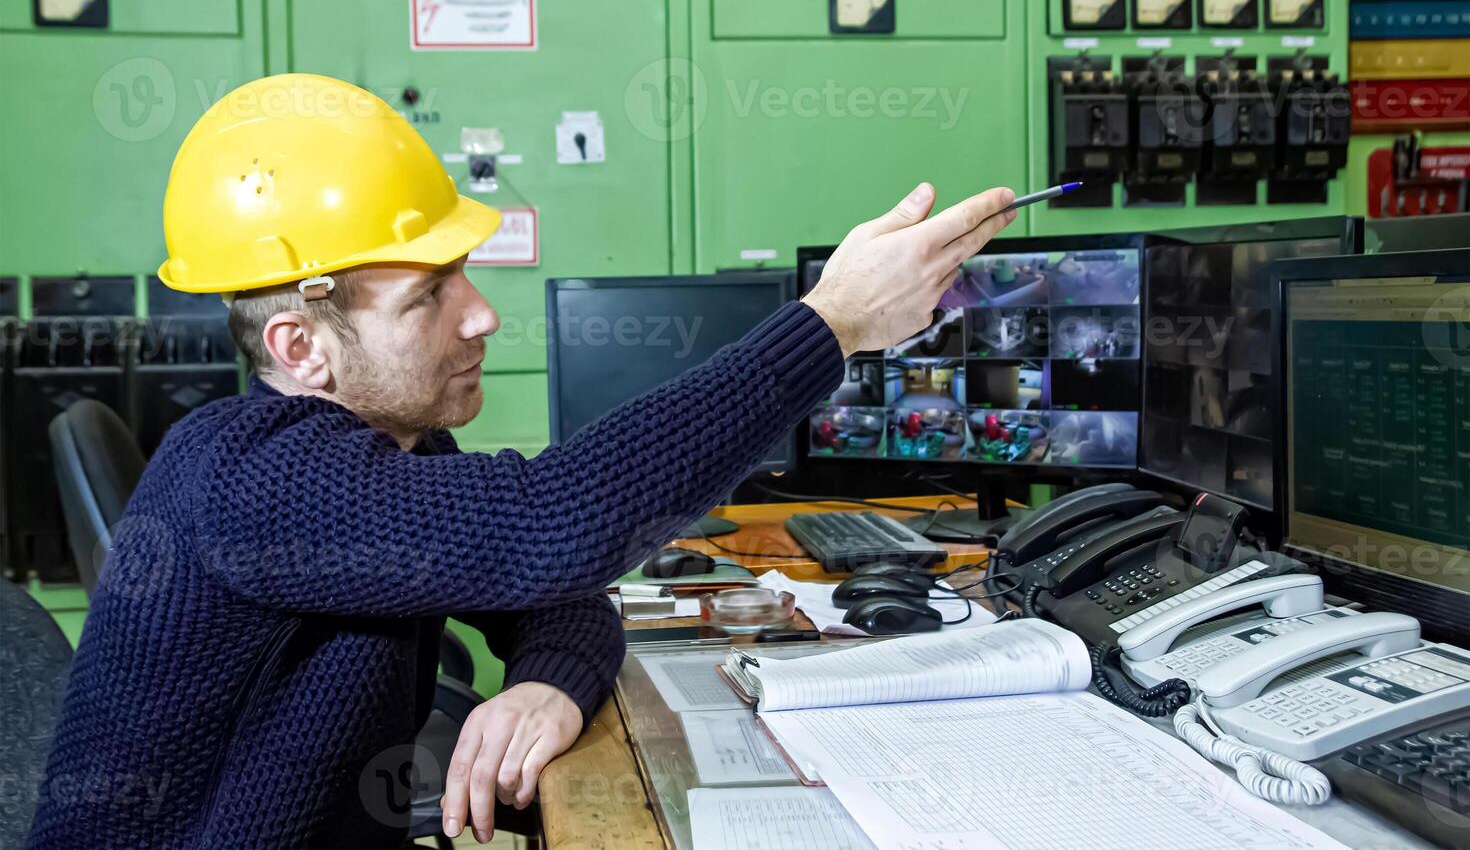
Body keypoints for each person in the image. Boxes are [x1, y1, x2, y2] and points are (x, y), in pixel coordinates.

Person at [27, 74, 1017, 848]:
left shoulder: (385, 448)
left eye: (463, 275)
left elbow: (553, 576)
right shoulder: (255, 479)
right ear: (299, 346)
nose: (482, 313)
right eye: (427, 296)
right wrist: (829, 325)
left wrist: (549, 676)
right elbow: (559, 519)